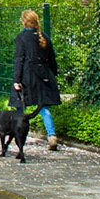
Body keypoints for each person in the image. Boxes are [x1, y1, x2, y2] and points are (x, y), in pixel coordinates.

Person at [12, 9, 61, 151]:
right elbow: (52, 59)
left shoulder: (21, 38)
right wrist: (53, 75)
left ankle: (20, 136)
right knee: (43, 107)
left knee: (21, 106)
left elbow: (19, 60)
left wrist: (16, 80)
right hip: (44, 76)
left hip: (27, 76)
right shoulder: (45, 37)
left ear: (24, 22)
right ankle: (51, 136)